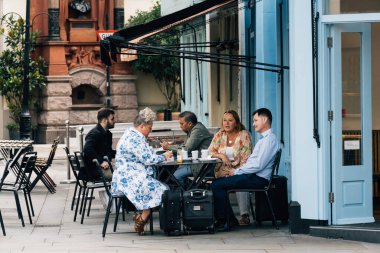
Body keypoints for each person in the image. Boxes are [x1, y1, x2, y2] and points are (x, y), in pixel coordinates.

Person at [211, 108, 280, 228]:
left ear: (264, 120)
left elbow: (258, 165)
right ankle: (228, 219)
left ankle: (226, 220)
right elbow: (253, 162)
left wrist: (236, 171)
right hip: (252, 175)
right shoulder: (265, 139)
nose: (253, 124)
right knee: (217, 183)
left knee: (216, 185)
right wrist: (236, 171)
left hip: (258, 179)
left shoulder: (269, 140)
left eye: (255, 120)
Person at [111, 107, 173, 236]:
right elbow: (148, 159)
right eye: (150, 128)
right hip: (129, 178)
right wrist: (164, 156)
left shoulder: (132, 135)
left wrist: (160, 151)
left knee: (161, 188)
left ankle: (142, 217)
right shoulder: (135, 139)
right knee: (163, 190)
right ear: (143, 126)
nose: (150, 131)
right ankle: (143, 217)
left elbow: (145, 154)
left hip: (128, 175)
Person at [208, 110, 253, 226]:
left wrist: (234, 170)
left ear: (236, 122)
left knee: (238, 181)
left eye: (230, 120)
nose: (226, 123)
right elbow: (210, 152)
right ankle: (227, 217)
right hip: (222, 171)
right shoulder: (220, 134)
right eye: (224, 120)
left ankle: (244, 215)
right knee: (215, 186)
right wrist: (221, 155)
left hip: (240, 169)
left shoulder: (244, 135)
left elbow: (246, 159)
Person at [161, 111, 213, 185]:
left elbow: (186, 149)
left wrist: (169, 147)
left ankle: (187, 193)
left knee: (175, 176)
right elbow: (185, 146)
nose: (180, 126)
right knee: (172, 171)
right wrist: (171, 146)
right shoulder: (193, 129)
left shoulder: (197, 130)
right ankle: (193, 187)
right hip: (196, 162)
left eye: (182, 124)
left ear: (190, 124)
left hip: (203, 165)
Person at [82, 108, 116, 182]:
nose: (114, 121)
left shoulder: (107, 134)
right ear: (104, 120)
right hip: (94, 171)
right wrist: (101, 161)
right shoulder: (95, 133)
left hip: (102, 169)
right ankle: (113, 193)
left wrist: (121, 152)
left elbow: (108, 152)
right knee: (122, 176)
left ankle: (113, 193)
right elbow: (87, 149)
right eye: (112, 119)